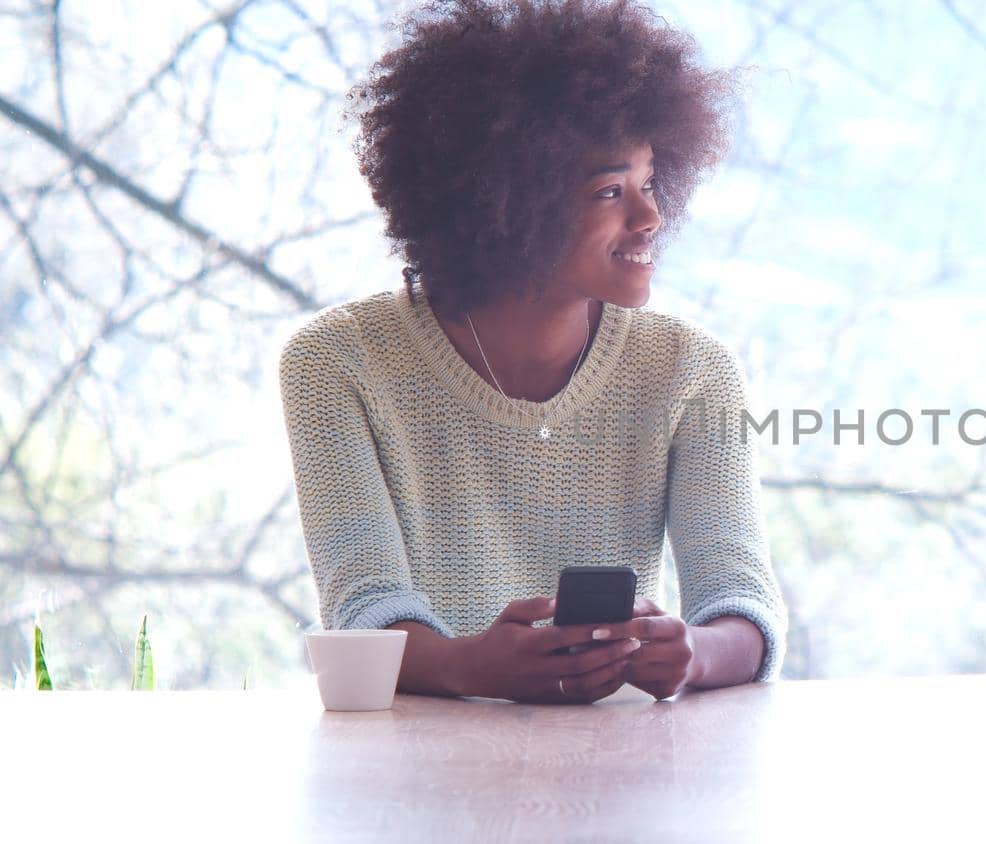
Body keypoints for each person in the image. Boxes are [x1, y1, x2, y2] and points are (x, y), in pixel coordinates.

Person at [277, 0, 785, 704]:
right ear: (507, 204)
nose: (650, 217)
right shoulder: (338, 362)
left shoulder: (690, 370)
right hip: (417, 780)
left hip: (628, 773)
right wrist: (468, 666)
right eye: (611, 190)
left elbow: (741, 600)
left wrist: (695, 652)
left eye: (650, 183)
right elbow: (363, 606)